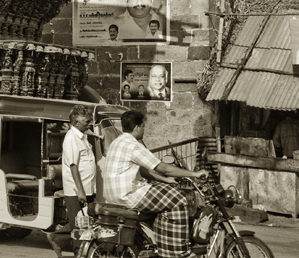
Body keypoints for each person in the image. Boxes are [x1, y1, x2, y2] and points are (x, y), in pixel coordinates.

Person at [104, 110, 208, 258]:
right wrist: (194, 174)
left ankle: (158, 240)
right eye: (143, 126)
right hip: (129, 195)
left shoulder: (117, 141)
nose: (144, 130)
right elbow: (162, 167)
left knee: (165, 192)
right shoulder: (133, 145)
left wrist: (165, 180)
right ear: (137, 128)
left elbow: (141, 169)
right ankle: (176, 252)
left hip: (113, 196)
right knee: (178, 200)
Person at [46, 105, 97, 258]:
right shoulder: (71, 139)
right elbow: (73, 166)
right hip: (77, 190)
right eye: (86, 121)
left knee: (84, 221)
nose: (89, 123)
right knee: (80, 226)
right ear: (76, 122)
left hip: (87, 188)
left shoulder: (80, 135)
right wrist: (80, 190)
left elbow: (86, 131)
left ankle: (57, 238)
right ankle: (77, 253)